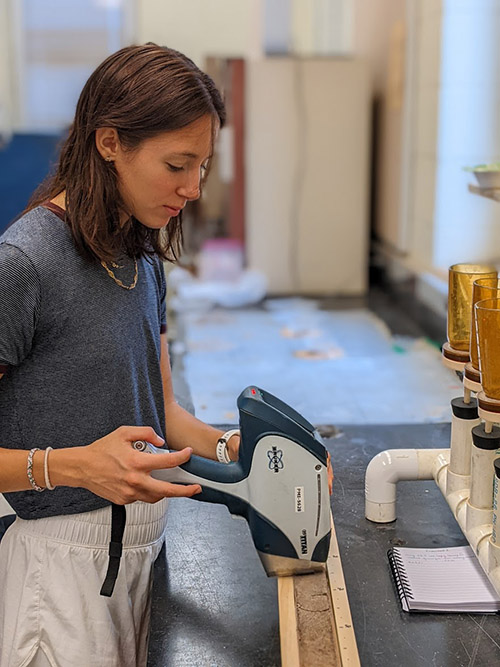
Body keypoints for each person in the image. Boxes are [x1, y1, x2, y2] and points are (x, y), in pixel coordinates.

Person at [0, 43, 238, 667]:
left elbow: (161, 413)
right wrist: (73, 466)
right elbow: (80, 463)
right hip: (56, 573)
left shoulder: (141, 255)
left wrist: (241, 450)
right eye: (177, 165)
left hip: (138, 549)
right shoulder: (25, 263)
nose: (193, 188)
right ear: (110, 142)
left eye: (204, 166)